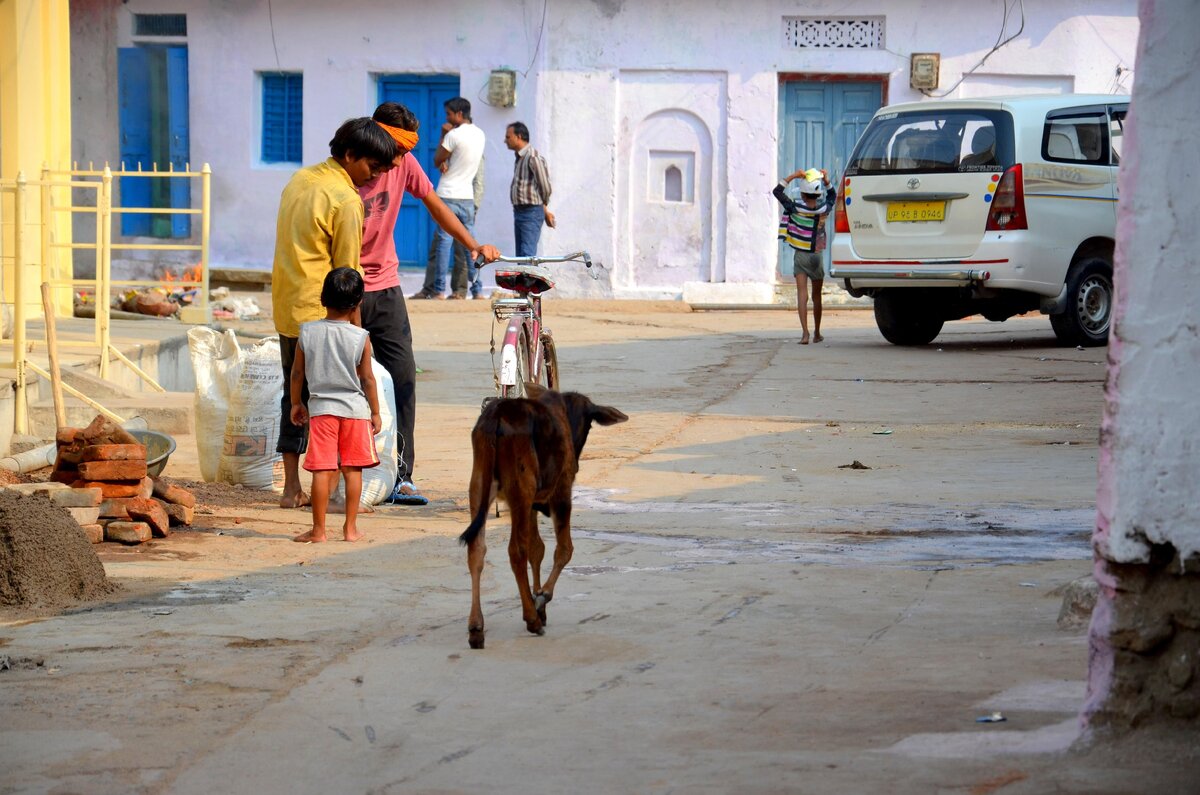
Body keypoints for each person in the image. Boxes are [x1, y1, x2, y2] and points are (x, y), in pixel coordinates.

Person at [359, 101, 499, 505]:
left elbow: (437, 207)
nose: (400, 159)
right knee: (346, 383)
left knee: (403, 378)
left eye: (405, 150)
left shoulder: (403, 164)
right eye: (396, 149)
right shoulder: (347, 173)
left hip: (385, 288)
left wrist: (473, 245)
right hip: (343, 289)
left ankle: (403, 476)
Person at [272, 117, 397, 509]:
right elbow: (348, 275)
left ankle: (291, 487)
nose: (373, 177)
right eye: (371, 168)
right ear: (349, 155)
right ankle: (336, 491)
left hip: (288, 308)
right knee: (336, 403)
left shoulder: (300, 180)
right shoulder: (345, 201)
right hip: (323, 315)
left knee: (294, 399)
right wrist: (356, 333)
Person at [289, 268, 381, 543]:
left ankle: (318, 531)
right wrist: (375, 412)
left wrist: (296, 403)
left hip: (321, 411)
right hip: (355, 412)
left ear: (322, 298)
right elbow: (367, 378)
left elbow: (297, 374)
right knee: (353, 470)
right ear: (357, 303)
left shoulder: (307, 332)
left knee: (322, 470)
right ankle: (350, 530)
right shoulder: (360, 337)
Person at [411, 97, 486, 299]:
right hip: (467, 197)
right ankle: (477, 290)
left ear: (459, 114)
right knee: (471, 244)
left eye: (449, 114)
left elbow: (437, 160)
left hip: (448, 194)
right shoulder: (480, 134)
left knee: (444, 244)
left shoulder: (453, 135)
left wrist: (444, 135)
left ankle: (439, 290)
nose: (447, 118)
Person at [774, 168, 836, 345]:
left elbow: (777, 191)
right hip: (817, 256)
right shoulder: (824, 208)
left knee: (802, 294)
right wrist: (826, 180)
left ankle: (805, 334)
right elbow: (832, 195)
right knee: (817, 296)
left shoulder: (795, 207)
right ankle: (817, 333)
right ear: (817, 194)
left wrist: (793, 175)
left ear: (802, 193)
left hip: (800, 256)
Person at [504, 121, 555, 256]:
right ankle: (524, 278)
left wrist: (542, 207)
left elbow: (545, 186)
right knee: (521, 256)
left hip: (530, 212)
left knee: (527, 257)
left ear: (519, 136)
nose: (505, 141)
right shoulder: (520, 157)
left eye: (508, 137)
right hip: (520, 211)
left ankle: (529, 278)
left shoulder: (532, 157)